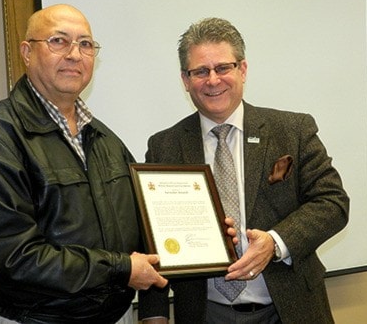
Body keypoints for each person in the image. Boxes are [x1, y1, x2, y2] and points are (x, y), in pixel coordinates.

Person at [0, 4, 169, 324]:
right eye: (59, 41)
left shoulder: (106, 140)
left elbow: (140, 225)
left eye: (86, 44)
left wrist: (198, 232)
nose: (75, 54)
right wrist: (122, 268)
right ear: (27, 52)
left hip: (116, 316)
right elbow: (15, 258)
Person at [138, 18, 349, 324]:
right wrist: (153, 315)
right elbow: (152, 240)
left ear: (243, 70)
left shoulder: (292, 130)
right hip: (204, 313)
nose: (213, 80)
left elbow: (333, 203)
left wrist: (276, 243)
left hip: (289, 311)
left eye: (223, 67)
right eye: (200, 71)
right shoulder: (164, 146)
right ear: (185, 79)